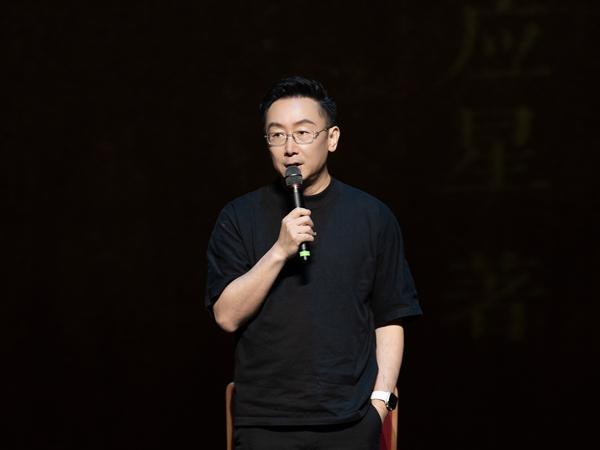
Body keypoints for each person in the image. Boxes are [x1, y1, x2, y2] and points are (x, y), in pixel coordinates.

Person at [205, 75, 422, 450]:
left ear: (332, 138)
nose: (290, 148)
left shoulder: (372, 216)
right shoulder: (238, 217)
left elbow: (390, 316)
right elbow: (226, 316)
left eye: (303, 132)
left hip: (351, 421)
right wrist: (279, 250)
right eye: (277, 135)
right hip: (265, 423)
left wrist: (380, 403)